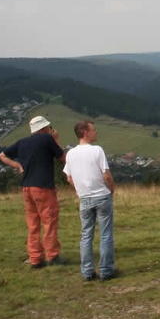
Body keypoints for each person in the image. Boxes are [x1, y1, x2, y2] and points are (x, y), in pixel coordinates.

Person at [0, 115, 67, 269]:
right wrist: (55, 139)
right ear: (44, 128)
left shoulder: (22, 142)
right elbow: (64, 158)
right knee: (49, 221)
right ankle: (52, 256)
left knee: (33, 223)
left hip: (27, 188)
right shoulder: (47, 140)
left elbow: (2, 156)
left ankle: (35, 258)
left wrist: (18, 166)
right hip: (43, 187)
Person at [63, 120, 117, 282]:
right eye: (93, 130)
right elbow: (106, 174)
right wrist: (111, 189)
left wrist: (80, 190)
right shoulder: (97, 150)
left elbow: (68, 178)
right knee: (106, 234)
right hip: (101, 195)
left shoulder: (71, 153)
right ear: (86, 132)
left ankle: (87, 271)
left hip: (84, 198)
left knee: (86, 235)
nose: (96, 133)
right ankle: (106, 270)